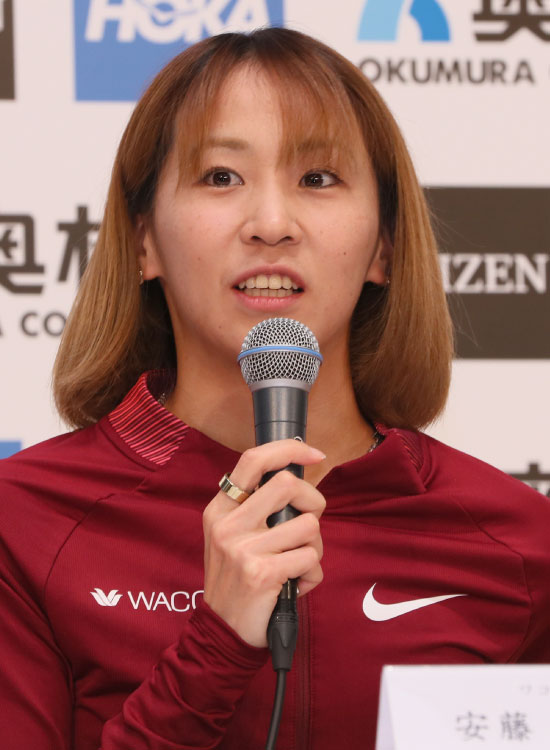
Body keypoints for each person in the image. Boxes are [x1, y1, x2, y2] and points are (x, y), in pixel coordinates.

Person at [1, 27, 549, 750]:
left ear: (384, 246)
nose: (270, 225)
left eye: (317, 179)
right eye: (220, 177)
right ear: (143, 241)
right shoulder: (23, 522)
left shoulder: (520, 541)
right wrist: (218, 642)